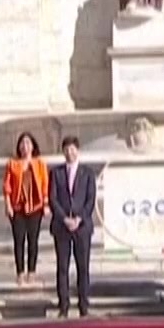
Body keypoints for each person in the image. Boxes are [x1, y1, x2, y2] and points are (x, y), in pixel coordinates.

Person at [48, 136, 97, 318]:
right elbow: (52, 199)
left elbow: (90, 200)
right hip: (62, 227)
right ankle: (64, 305)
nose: (70, 152)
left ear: (78, 150)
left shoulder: (87, 173)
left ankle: (84, 305)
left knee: (82, 267)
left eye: (73, 149)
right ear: (63, 152)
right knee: (62, 267)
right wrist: (64, 219)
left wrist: (79, 219)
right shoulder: (56, 173)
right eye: (66, 150)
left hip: (82, 227)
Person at [2, 133, 50, 288]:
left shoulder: (39, 164)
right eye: (22, 143)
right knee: (19, 240)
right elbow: (7, 186)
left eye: (28, 143)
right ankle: (20, 272)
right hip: (18, 207)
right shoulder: (12, 164)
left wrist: (46, 204)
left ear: (33, 146)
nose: (25, 146)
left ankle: (32, 271)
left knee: (33, 240)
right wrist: (8, 205)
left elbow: (45, 185)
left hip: (35, 207)